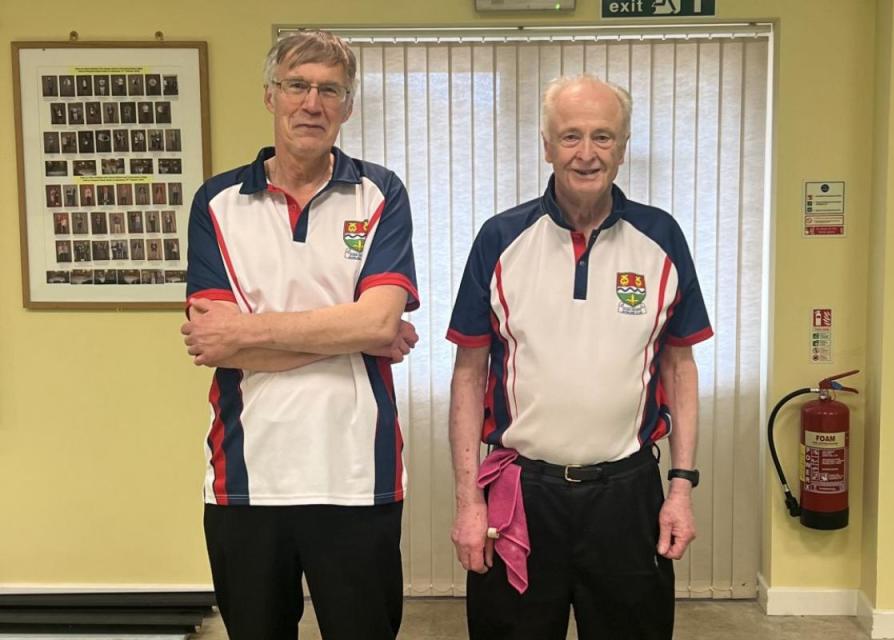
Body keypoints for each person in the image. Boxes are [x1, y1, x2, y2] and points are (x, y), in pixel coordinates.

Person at [447, 74, 713, 640]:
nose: (587, 154)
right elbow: (469, 377)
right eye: (570, 137)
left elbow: (679, 367)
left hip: (627, 498)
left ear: (623, 144)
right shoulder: (500, 240)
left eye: (603, 136)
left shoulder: (661, 238)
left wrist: (681, 489)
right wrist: (469, 500)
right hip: (519, 497)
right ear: (546, 145)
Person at [180, 30, 419, 640]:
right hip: (247, 481)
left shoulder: (380, 193)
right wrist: (352, 331)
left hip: (357, 476)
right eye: (298, 86)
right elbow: (215, 343)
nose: (312, 103)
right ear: (270, 96)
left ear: (347, 105)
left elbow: (379, 321)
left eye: (329, 90)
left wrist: (252, 330)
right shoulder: (217, 203)